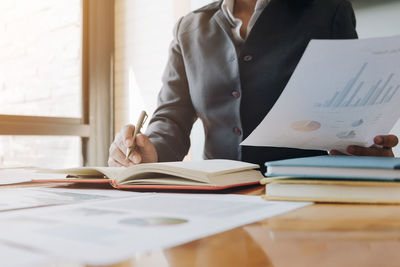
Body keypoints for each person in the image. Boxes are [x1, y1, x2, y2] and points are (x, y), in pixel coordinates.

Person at [108, 0, 398, 169]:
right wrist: (149, 150)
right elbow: (171, 118)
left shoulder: (327, 11)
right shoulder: (190, 28)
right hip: (216, 201)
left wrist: (367, 148)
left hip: (299, 195)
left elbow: (349, 114)